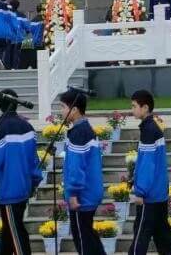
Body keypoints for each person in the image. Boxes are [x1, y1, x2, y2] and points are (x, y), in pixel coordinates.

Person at [0, 88, 42, 255]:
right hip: (24, 186)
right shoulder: (27, 126)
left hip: (9, 189)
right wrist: (35, 180)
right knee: (9, 231)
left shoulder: (1, 128)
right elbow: (34, 159)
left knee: (16, 232)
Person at [128, 89, 171, 255]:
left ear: (145, 108)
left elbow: (148, 165)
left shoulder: (149, 130)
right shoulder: (152, 127)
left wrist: (140, 191)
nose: (132, 109)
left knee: (141, 235)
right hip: (159, 193)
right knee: (163, 236)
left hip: (149, 196)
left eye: (134, 106)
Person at [59, 89, 105, 255]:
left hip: (81, 196)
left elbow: (76, 167)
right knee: (88, 235)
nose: (61, 111)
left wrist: (73, 193)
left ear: (74, 109)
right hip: (89, 192)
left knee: (83, 240)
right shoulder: (85, 130)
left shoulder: (79, 133)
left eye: (63, 107)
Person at [10, 0, 30, 71]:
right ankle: (17, 68)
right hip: (19, 39)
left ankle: (11, 67)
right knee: (18, 54)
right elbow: (28, 28)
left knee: (10, 54)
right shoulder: (22, 15)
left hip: (10, 39)